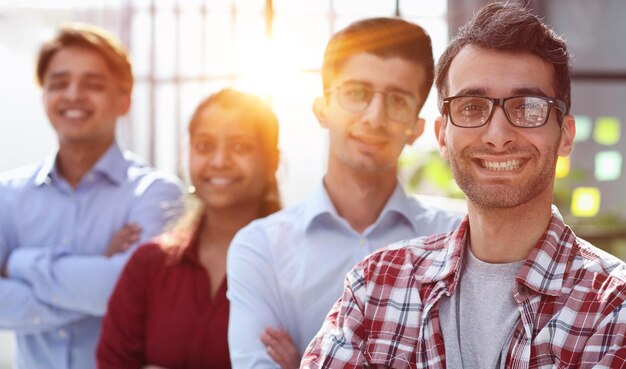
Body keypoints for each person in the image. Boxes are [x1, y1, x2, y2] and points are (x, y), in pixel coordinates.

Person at [301, 3, 626, 368]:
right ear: (442, 136)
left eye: (527, 107)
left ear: (565, 135)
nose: (498, 135)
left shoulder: (615, 307)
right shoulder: (374, 285)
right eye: (472, 107)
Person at [227, 17, 462, 369]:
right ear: (322, 109)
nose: (374, 116)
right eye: (356, 93)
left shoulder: (458, 240)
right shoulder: (260, 248)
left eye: (397, 100)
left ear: (416, 128)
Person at [0, 23, 184, 369]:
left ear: (124, 100)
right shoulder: (5, 195)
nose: (73, 95)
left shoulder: (156, 193)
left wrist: (16, 263)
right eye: (59, 83)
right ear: (44, 97)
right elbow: (112, 293)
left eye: (93, 84)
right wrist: (94, 273)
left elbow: (120, 292)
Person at [96, 88, 282, 369]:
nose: (219, 161)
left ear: (273, 161)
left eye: (240, 146)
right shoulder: (149, 265)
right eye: (205, 146)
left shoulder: (296, 267)